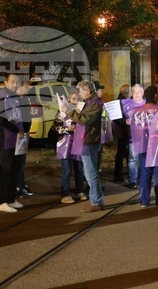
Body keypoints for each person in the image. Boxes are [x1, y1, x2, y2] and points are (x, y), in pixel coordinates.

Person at [61, 81, 106, 211]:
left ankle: (96, 201)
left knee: (90, 172)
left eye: (81, 91)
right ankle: (97, 199)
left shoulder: (95, 102)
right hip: (87, 140)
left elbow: (84, 119)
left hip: (89, 141)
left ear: (88, 91)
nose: (79, 94)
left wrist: (68, 111)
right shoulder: (91, 102)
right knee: (90, 172)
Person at [0, 73, 24, 212]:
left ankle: (11, 198)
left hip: (16, 139)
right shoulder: (1, 98)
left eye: (17, 82)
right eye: (12, 82)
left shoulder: (14, 98)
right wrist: (17, 131)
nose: (15, 85)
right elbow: (2, 120)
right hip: (6, 138)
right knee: (6, 169)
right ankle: (1, 201)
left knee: (15, 168)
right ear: (5, 82)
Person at [129, 86, 158, 207]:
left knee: (145, 173)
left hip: (144, 146)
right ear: (156, 96)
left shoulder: (137, 111)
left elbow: (135, 130)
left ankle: (144, 200)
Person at [55, 90, 85, 203]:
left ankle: (80, 191)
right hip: (65, 144)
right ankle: (65, 194)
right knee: (67, 170)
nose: (75, 101)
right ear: (68, 100)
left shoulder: (82, 112)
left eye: (78, 99)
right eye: (73, 99)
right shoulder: (61, 112)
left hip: (78, 143)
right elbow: (56, 129)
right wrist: (68, 129)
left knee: (79, 169)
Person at [112, 84, 131, 184]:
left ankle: (121, 173)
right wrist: (125, 121)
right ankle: (118, 174)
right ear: (127, 92)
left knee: (124, 152)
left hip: (123, 131)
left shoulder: (120, 101)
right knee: (122, 152)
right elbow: (116, 117)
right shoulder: (120, 102)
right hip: (123, 131)